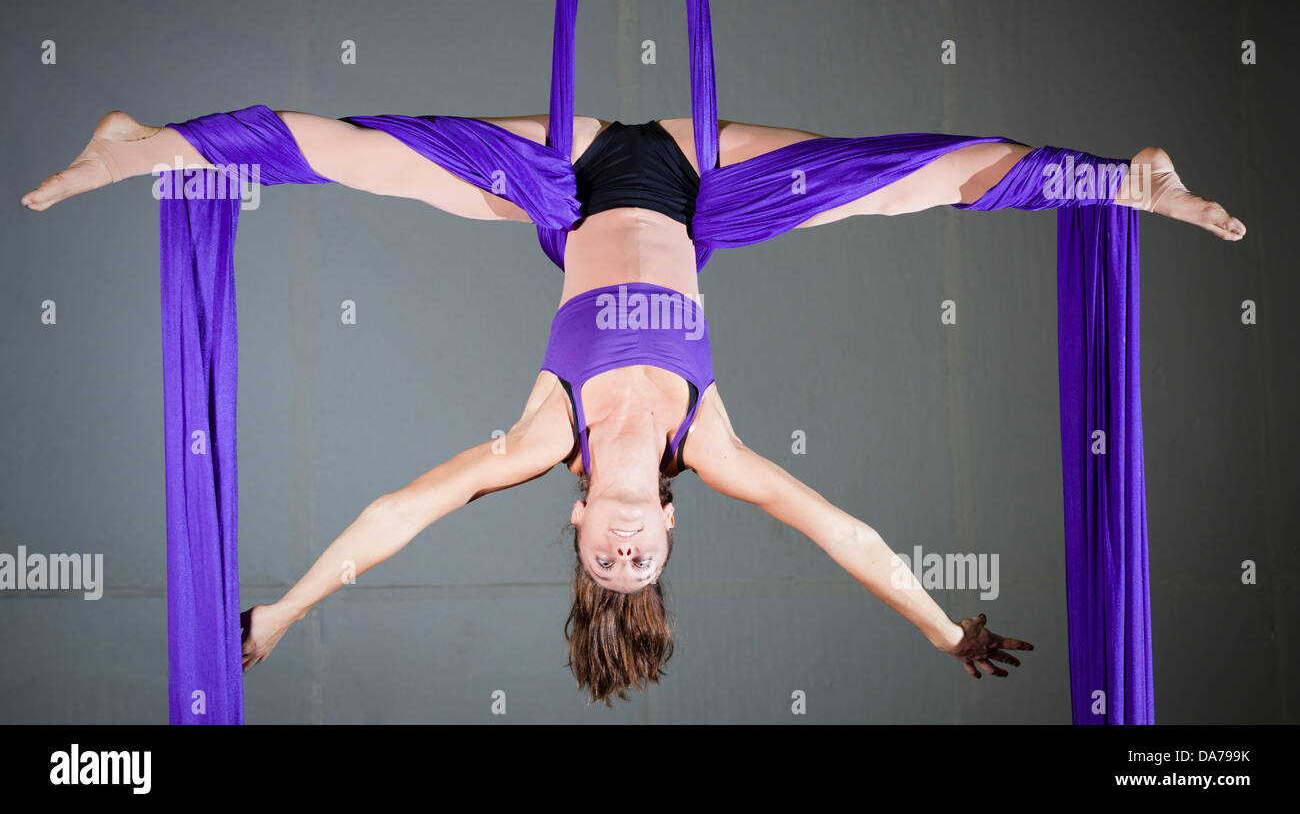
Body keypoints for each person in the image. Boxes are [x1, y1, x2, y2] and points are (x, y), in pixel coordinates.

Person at [21, 106, 1243, 704]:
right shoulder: (701, 440)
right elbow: (846, 533)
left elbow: (395, 515)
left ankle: (150, 141)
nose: (619, 549)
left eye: (600, 565)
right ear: (667, 531)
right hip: (708, 182)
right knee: (892, 188)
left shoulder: (540, 435)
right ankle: (1117, 181)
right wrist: (940, 629)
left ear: (570, 532)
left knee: (378, 162)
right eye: (639, 559)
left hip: (563, 174)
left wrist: (280, 611)